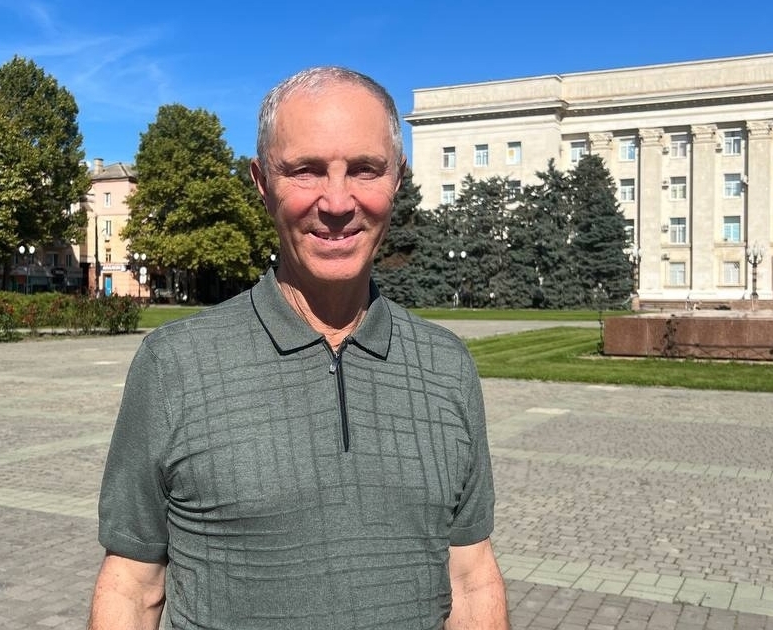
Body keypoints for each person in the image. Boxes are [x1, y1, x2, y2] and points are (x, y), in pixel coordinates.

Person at [88, 66, 509, 629]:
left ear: (398, 179)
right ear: (262, 183)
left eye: (364, 169)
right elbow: (133, 585)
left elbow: (471, 576)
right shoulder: (174, 365)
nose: (337, 202)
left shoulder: (447, 365)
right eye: (305, 171)